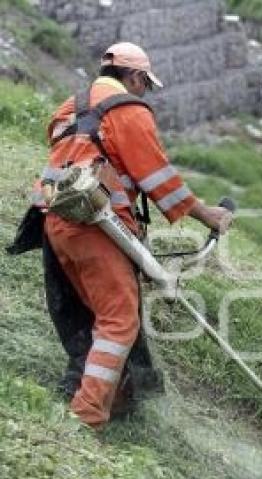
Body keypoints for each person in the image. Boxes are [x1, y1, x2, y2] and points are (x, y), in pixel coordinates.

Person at [25, 42, 232, 428]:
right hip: (97, 227)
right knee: (119, 320)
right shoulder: (128, 111)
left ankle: (117, 400)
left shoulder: (72, 106)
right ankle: (84, 418)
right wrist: (208, 215)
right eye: (145, 84)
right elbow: (158, 178)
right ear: (135, 77)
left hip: (55, 224)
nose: (144, 92)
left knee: (95, 313)